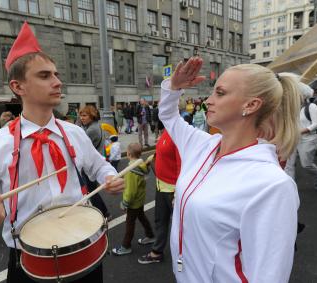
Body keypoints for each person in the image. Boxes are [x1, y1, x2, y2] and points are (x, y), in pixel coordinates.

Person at [0, 22, 123, 283]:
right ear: (18, 87)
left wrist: (110, 177)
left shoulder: (73, 133)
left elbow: (99, 166)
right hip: (29, 261)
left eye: (56, 74)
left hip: (84, 248)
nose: (57, 81)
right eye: (45, 76)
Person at [159, 57, 300, 282]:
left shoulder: (272, 184)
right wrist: (174, 88)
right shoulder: (201, 145)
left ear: (251, 105)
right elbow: (168, 116)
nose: (208, 101)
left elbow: (269, 275)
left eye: (220, 93)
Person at [138, 130, 181, 264]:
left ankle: (186, 261)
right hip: (161, 186)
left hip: (172, 190)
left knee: (181, 228)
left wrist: (178, 193)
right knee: (160, 220)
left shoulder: (178, 134)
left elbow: (182, 166)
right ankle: (157, 252)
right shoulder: (166, 130)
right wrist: (155, 156)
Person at [112, 143, 154, 255]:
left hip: (133, 203)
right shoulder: (141, 166)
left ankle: (126, 246)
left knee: (130, 224)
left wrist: (125, 203)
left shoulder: (131, 171)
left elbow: (130, 191)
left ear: (128, 154)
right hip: (139, 200)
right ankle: (150, 235)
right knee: (142, 217)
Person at [285, 82, 317, 190]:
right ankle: (290, 186)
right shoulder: (293, 108)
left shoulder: (312, 107)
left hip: (308, 140)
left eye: (296, 94)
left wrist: (302, 131)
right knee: (289, 164)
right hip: (293, 139)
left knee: (306, 164)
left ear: (303, 95)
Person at [79, 105, 112, 219]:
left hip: (91, 163)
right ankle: (104, 212)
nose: (81, 118)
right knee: (91, 190)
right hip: (96, 159)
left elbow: (80, 144)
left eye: (84, 115)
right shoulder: (94, 125)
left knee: (91, 191)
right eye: (81, 115)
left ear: (91, 116)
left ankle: (104, 213)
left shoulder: (91, 129)